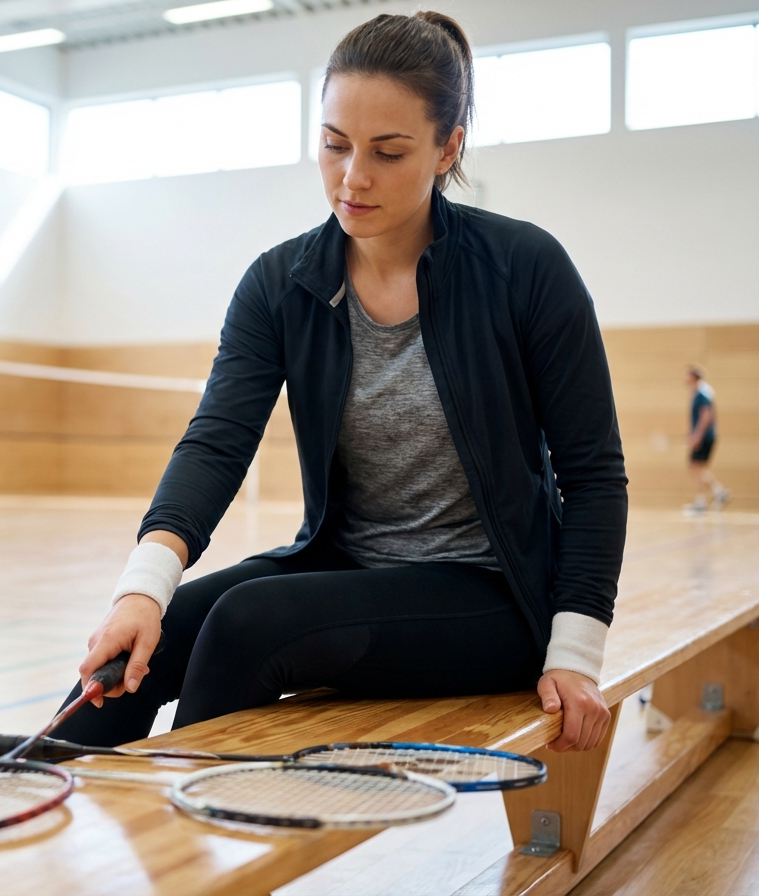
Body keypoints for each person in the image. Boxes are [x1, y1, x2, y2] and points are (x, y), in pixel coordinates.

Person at [55, 11, 627, 755]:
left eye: (388, 152)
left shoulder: (526, 268)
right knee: (139, 642)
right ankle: (39, 797)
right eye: (334, 144)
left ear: (448, 147)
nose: (353, 177)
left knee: (248, 624)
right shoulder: (278, 284)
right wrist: (141, 590)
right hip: (347, 566)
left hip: (495, 593)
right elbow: (217, 443)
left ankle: (193, 823)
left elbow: (594, 474)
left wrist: (575, 654)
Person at [683, 366, 729, 513]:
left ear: (694, 377)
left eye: (687, 375)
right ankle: (718, 492)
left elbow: (706, 416)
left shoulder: (703, 393)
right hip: (705, 435)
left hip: (705, 436)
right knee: (697, 467)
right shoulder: (699, 392)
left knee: (696, 466)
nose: (685, 378)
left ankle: (702, 501)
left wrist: (697, 435)